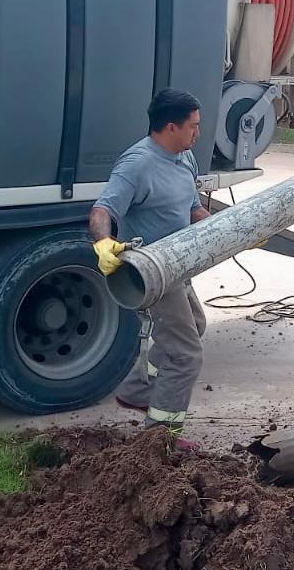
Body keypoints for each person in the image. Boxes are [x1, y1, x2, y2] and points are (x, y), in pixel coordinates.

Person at [89, 88, 209, 446]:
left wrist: (238, 227)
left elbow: (193, 210)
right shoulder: (137, 165)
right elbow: (102, 210)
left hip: (179, 264)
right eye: (193, 127)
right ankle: (160, 437)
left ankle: (138, 390)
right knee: (186, 353)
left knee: (194, 326)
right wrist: (103, 243)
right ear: (170, 127)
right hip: (153, 273)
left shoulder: (184, 158)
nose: (198, 134)